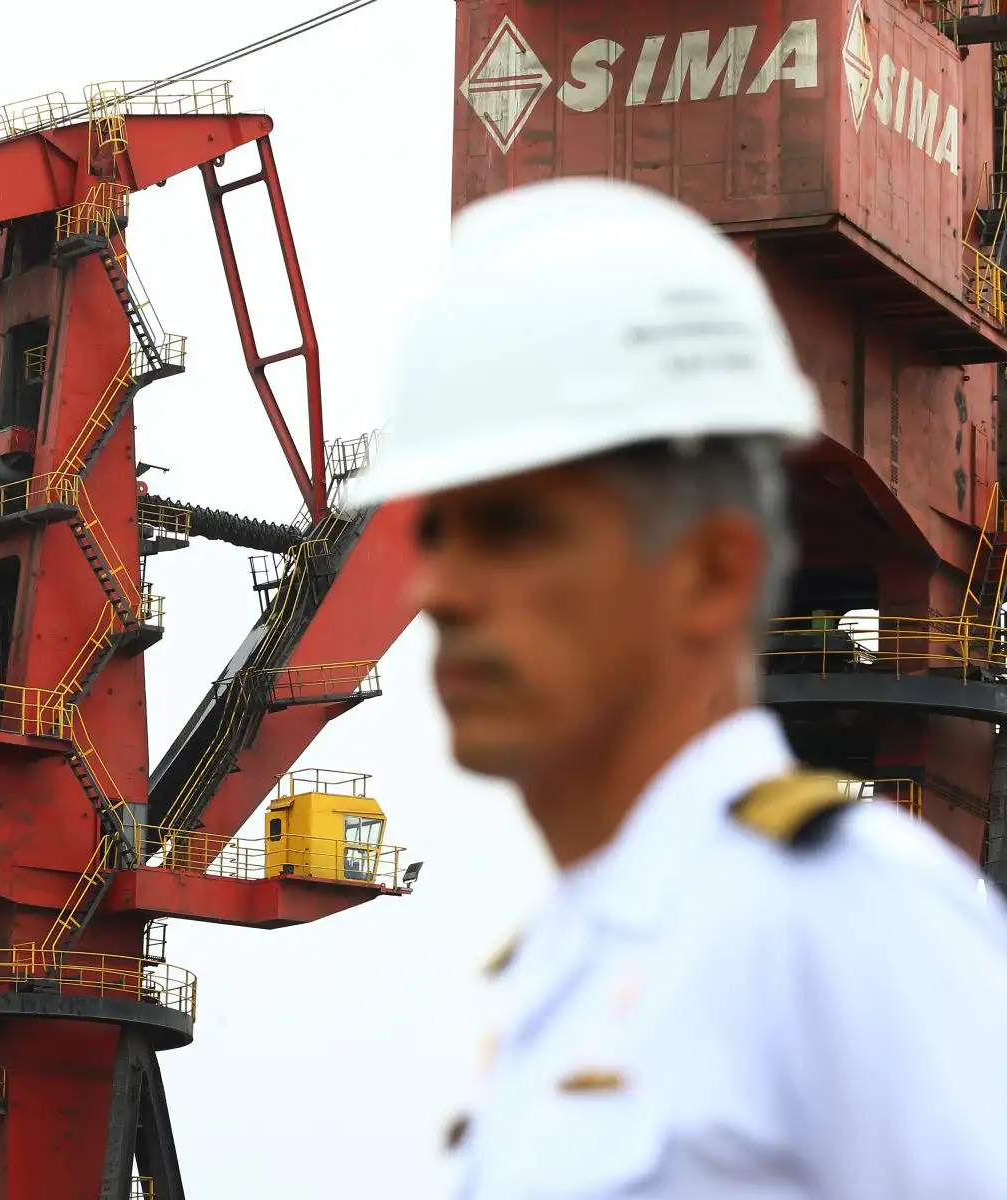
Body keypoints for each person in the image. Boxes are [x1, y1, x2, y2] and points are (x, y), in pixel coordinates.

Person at [347, 177, 1007, 1198]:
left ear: (711, 572)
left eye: (516, 529)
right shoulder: (554, 973)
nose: (441, 588)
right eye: (435, 531)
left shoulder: (846, 931)